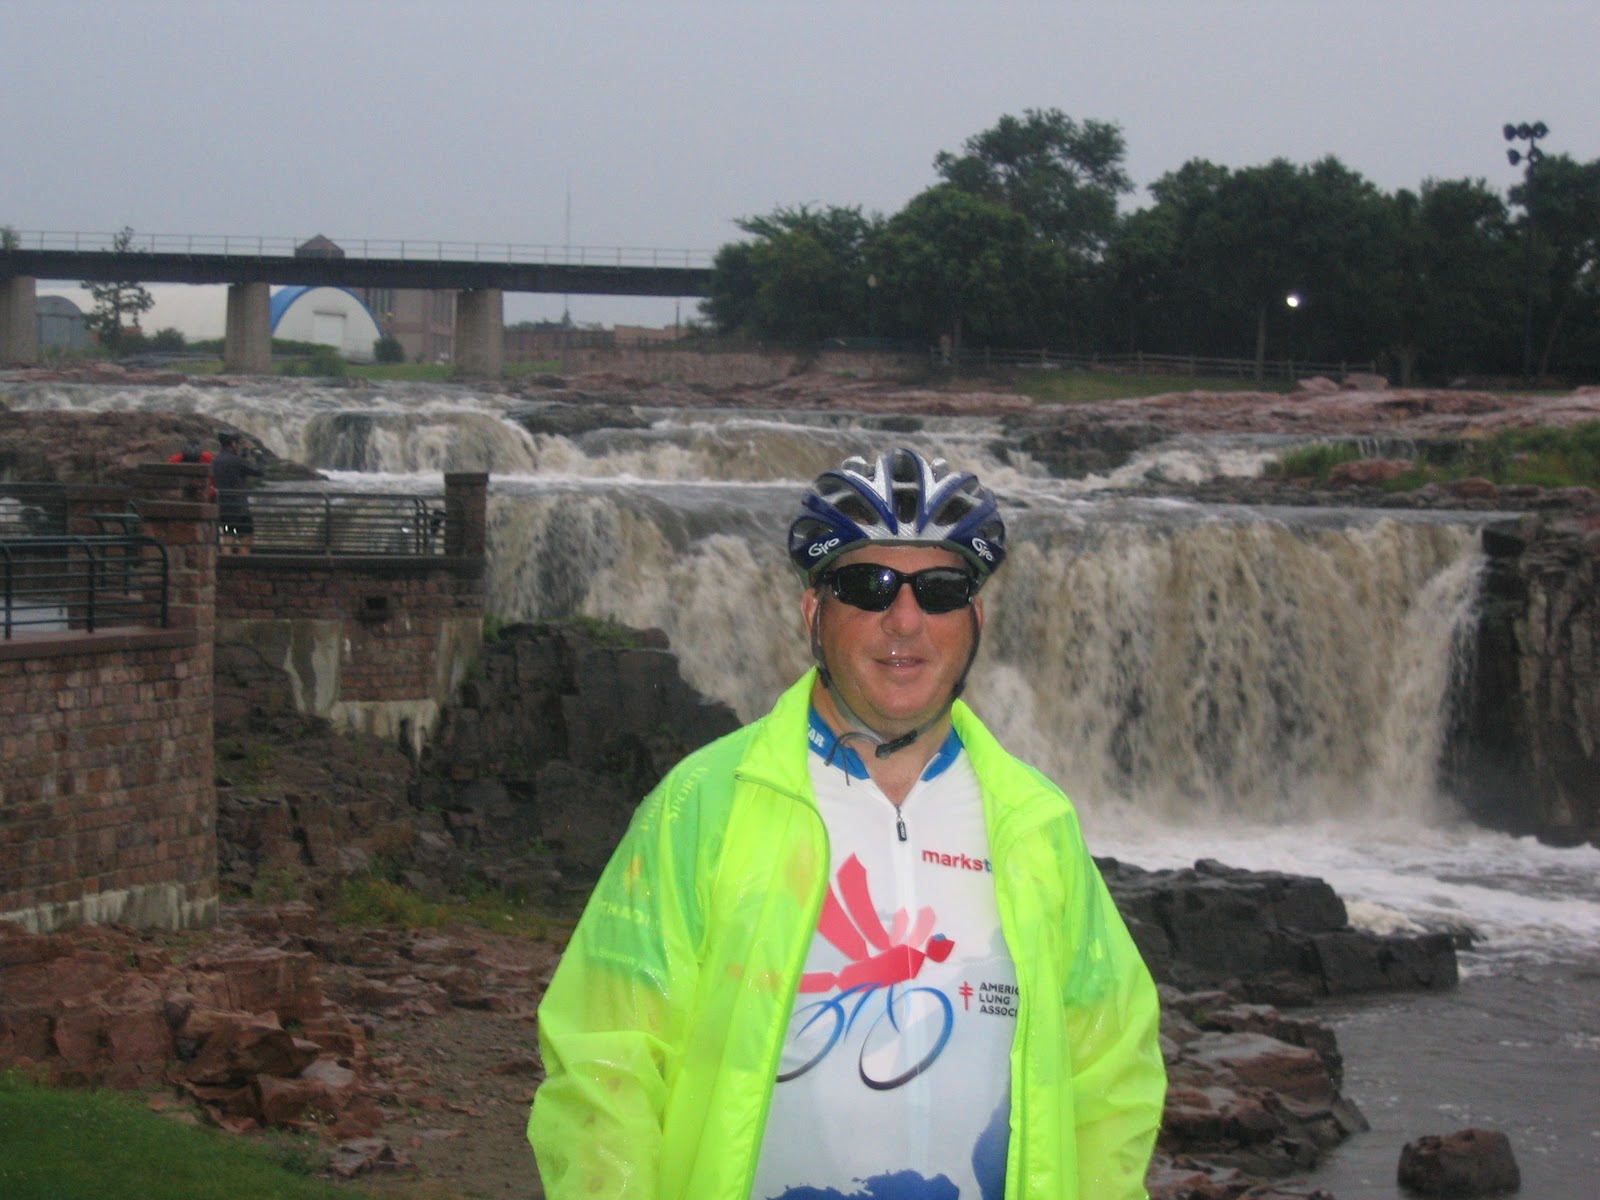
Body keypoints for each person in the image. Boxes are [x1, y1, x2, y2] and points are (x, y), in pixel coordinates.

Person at [528, 447, 1166, 1200]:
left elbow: (1112, 1075)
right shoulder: (699, 804)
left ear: (975, 616)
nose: (905, 620)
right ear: (813, 612)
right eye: (869, 586)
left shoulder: (1036, 823)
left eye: (940, 589)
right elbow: (604, 1069)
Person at [211, 431, 264, 554]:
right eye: (237, 443)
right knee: (247, 538)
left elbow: (235, 471)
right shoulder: (236, 461)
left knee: (228, 537)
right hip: (240, 510)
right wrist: (258, 454)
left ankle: (227, 566)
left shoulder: (216, 460)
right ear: (233, 444)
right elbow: (259, 471)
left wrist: (243, 455)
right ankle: (242, 564)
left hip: (223, 508)